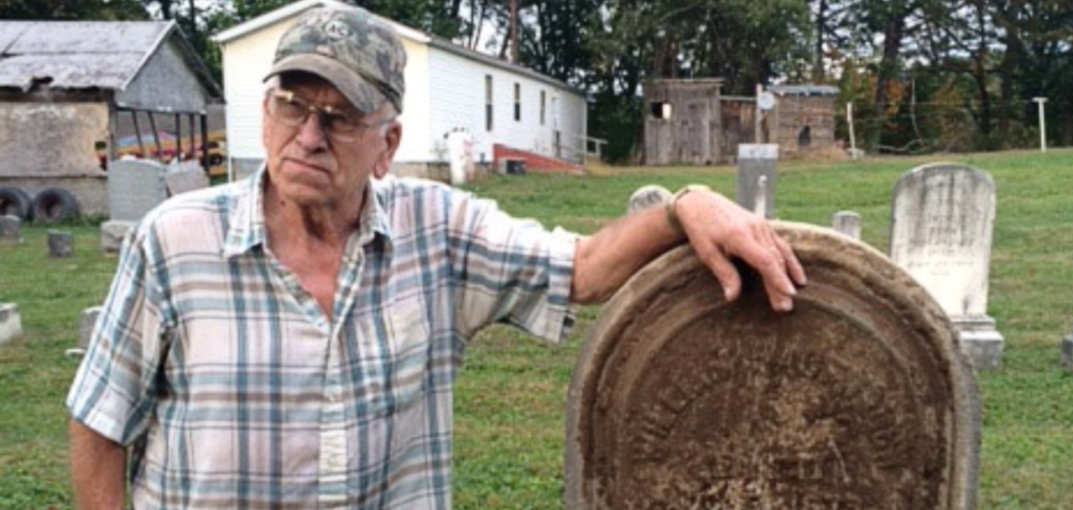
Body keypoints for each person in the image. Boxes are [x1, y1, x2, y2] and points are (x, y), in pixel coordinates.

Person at [66, 5, 805, 509]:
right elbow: (100, 421)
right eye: (291, 104)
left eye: (340, 117)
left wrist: (686, 206)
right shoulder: (174, 240)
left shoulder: (439, 234)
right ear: (266, 112)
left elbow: (581, 268)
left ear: (387, 146)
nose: (309, 135)